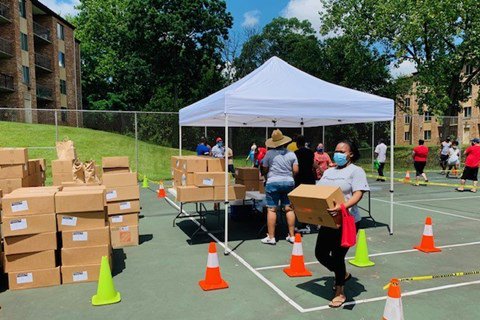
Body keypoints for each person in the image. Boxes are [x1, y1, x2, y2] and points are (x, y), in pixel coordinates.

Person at [315, 140, 369, 308]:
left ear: (350, 154)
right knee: (320, 253)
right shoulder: (328, 171)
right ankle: (342, 274)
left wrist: (342, 206)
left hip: (347, 220)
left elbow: (358, 194)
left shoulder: (356, 171)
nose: (337, 153)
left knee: (338, 256)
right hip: (328, 220)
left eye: (342, 151)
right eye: (336, 150)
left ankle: (340, 291)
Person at [261, 129, 298, 245]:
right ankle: (292, 235)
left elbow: (265, 168)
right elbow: (296, 170)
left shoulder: (269, 154)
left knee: (272, 209)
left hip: (273, 182)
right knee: (289, 208)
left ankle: (271, 237)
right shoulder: (291, 154)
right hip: (288, 182)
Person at [294, 135, 316, 234]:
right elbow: (313, 164)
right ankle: (314, 222)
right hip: (310, 178)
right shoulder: (310, 152)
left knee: (301, 203)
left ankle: (304, 224)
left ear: (297, 144)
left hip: (300, 179)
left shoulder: (296, 153)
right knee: (310, 201)